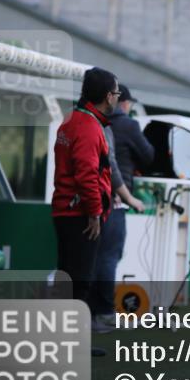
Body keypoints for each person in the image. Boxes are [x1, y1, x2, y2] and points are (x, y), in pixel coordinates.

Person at [51, 67, 120, 355]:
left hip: (65, 211)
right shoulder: (90, 126)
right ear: (107, 96)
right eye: (116, 93)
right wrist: (94, 213)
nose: (117, 98)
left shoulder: (72, 120)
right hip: (80, 215)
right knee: (80, 282)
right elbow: (87, 175)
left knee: (69, 278)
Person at [89, 84, 151, 331]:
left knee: (90, 259)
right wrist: (130, 198)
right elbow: (145, 157)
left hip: (86, 202)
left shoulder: (87, 121)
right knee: (108, 257)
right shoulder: (125, 125)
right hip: (110, 202)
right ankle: (103, 312)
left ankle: (90, 314)